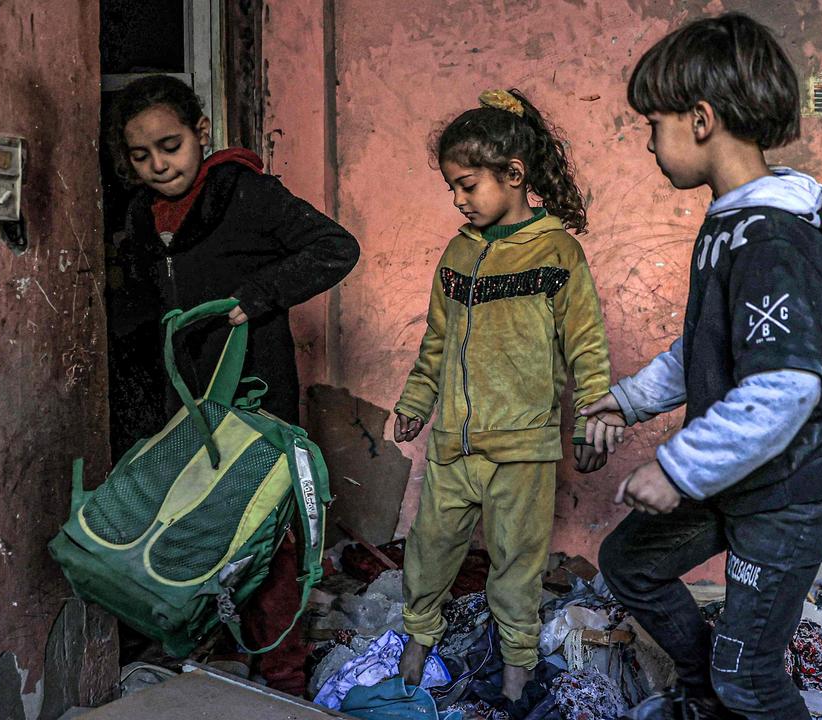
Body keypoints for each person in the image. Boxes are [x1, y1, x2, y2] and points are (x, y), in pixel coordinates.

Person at [580, 13, 822, 720]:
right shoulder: (730, 225)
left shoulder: (770, 241)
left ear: (701, 119)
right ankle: (701, 691)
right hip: (745, 471)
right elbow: (707, 347)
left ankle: (729, 686)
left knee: (751, 676)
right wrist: (627, 402)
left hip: (794, 486)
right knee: (630, 564)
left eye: (654, 123)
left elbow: (783, 386)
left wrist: (678, 470)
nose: (649, 142)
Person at [106, 74, 360, 697]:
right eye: (141, 155)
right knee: (196, 526)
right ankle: (210, 659)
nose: (158, 164)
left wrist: (254, 298)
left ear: (202, 134)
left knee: (266, 529)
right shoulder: (142, 215)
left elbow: (336, 248)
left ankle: (282, 674)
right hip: (184, 406)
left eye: (170, 145)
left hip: (254, 397)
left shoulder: (243, 192)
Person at [391, 89, 611, 701]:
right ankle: (416, 646)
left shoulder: (557, 252)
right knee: (429, 550)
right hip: (453, 446)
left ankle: (516, 672)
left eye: (466, 186)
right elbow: (437, 339)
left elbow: (586, 345)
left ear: (513, 175)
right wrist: (415, 401)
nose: (458, 201)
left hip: (523, 449)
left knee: (517, 565)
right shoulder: (459, 252)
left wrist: (593, 417)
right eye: (452, 190)